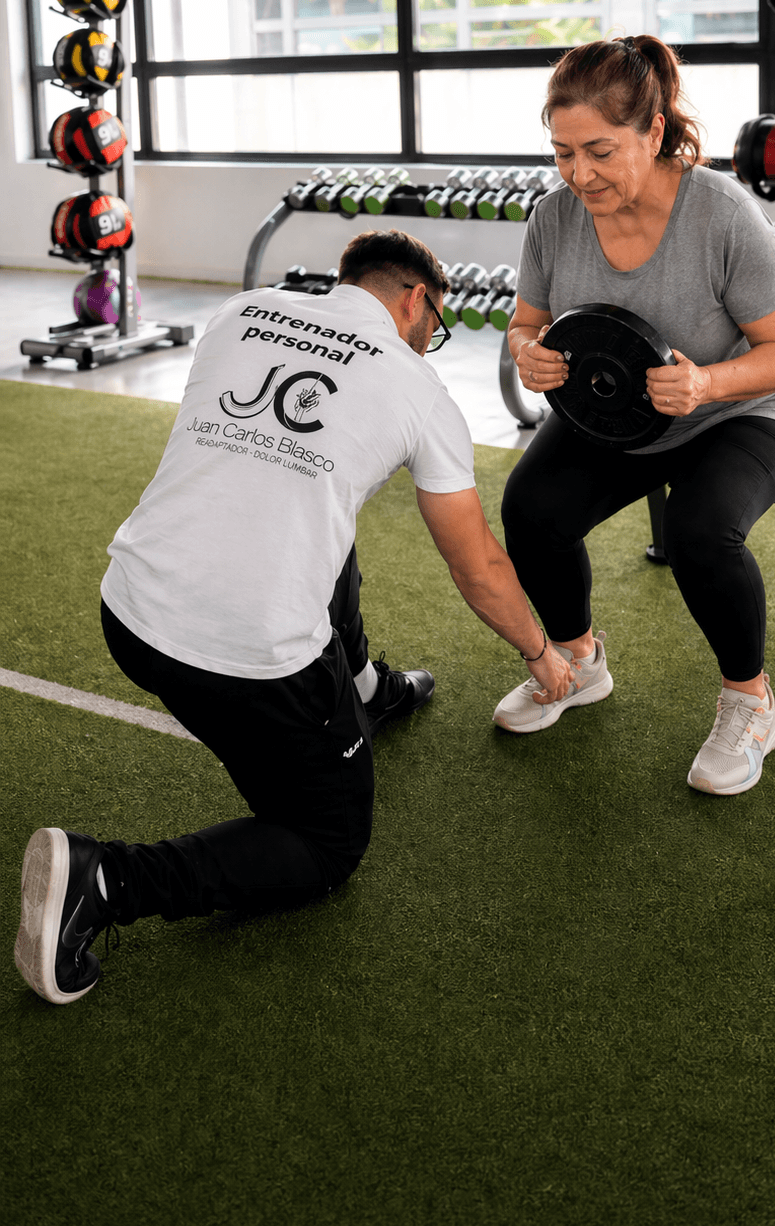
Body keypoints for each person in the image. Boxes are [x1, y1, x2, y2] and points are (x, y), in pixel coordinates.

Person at [15, 229, 569, 1006]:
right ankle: (106, 880)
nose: (428, 339)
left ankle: (366, 689)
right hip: (249, 659)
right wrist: (541, 653)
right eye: (433, 324)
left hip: (129, 611)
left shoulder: (240, 311)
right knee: (325, 842)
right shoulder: (418, 389)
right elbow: (476, 565)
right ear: (416, 298)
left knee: (314, 512)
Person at [495, 36, 775, 799]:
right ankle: (578, 663)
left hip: (742, 407)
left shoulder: (721, 214)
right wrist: (528, 353)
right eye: (562, 153)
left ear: (654, 131)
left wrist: (704, 383)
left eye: (599, 152)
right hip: (623, 414)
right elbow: (525, 323)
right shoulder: (554, 217)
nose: (579, 174)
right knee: (531, 509)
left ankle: (749, 702)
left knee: (700, 531)